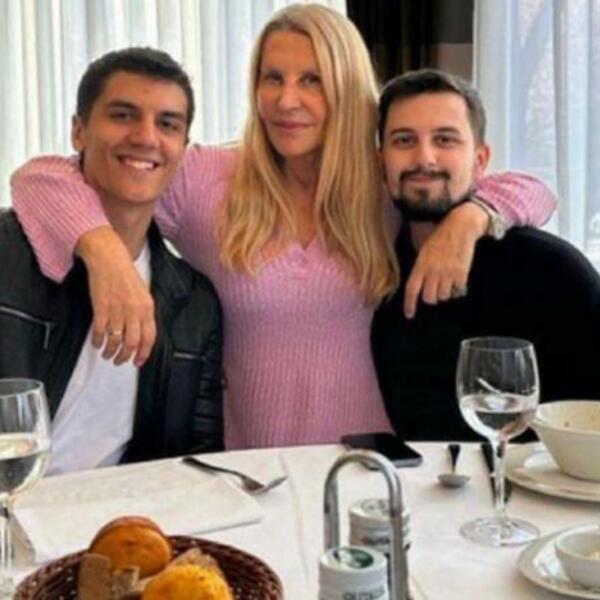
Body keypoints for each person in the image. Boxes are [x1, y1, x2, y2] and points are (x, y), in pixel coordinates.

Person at [10, 5, 555, 450]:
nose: (286, 100)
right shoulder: (206, 179)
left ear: (346, 88)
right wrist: (105, 254)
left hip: (369, 462)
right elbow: (40, 178)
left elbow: (533, 190)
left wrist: (470, 218)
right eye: (273, 78)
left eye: (311, 80)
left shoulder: (383, 185)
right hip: (247, 474)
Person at [0, 48, 224, 473]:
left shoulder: (196, 306)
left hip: (123, 509)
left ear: (183, 148)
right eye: (122, 115)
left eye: (167, 124)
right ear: (79, 132)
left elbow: (199, 460)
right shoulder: (9, 254)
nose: (146, 137)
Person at [371, 68, 600, 441]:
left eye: (445, 139)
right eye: (404, 140)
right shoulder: (374, 259)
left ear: (481, 159)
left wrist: (471, 217)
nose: (424, 158)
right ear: (381, 159)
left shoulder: (553, 272)